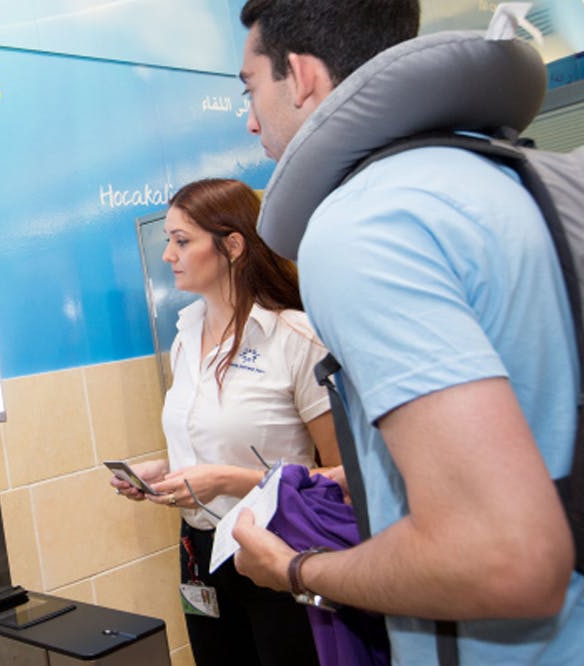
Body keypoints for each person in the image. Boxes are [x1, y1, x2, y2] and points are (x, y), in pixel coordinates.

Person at [230, 1, 584, 663]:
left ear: (300, 76)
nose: (251, 119)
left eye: (251, 88)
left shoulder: (364, 224)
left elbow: (505, 559)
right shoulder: (517, 182)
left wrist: (295, 570)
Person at [110, 178, 340, 666]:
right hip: (200, 554)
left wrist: (226, 480)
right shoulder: (185, 335)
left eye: (182, 241)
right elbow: (210, 441)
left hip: (278, 550)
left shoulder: (295, 337)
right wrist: (165, 470)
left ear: (232, 245)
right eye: (167, 239)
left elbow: (344, 481)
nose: (168, 254)